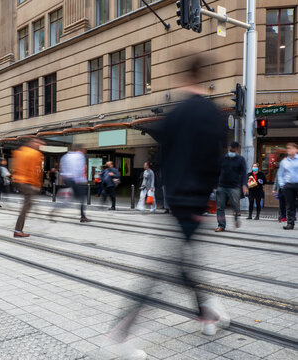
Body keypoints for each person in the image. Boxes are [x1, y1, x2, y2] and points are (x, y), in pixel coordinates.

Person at [108, 56, 229, 360]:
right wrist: (205, 202)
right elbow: (214, 164)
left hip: (175, 200)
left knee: (182, 263)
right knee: (165, 268)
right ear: (207, 76)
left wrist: (170, 196)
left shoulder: (174, 115)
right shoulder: (212, 115)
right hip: (194, 201)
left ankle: (206, 313)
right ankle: (119, 335)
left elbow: (163, 158)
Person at [12, 138, 44, 237]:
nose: (39, 145)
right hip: (27, 182)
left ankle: (18, 230)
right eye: (38, 143)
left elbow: (15, 168)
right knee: (26, 206)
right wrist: (37, 185)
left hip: (19, 181)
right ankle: (18, 231)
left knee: (27, 204)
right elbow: (37, 171)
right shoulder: (36, 154)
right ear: (32, 143)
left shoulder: (20, 152)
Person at [215, 142, 248, 232]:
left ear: (237, 149)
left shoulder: (240, 159)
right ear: (229, 148)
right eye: (230, 149)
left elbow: (244, 174)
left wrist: (244, 185)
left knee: (236, 206)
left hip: (234, 187)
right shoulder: (223, 159)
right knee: (220, 207)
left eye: (234, 149)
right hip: (222, 186)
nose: (232, 151)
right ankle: (221, 225)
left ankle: (236, 219)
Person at [60, 145, 90, 222]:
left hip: (68, 180)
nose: (84, 151)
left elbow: (62, 169)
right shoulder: (80, 156)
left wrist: (64, 179)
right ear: (79, 149)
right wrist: (81, 180)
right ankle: (82, 216)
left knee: (71, 196)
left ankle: (57, 207)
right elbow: (78, 169)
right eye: (84, 149)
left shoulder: (66, 156)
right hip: (76, 180)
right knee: (81, 199)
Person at [278, 142, 298, 230]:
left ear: (296, 150)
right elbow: (280, 174)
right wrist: (283, 185)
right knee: (290, 205)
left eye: (291, 148)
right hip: (288, 186)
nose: (289, 150)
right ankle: (290, 223)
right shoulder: (284, 162)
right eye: (288, 148)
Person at [272, 157, 287, 223]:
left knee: (289, 203)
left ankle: (290, 217)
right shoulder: (279, 170)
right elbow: (276, 180)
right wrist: (274, 189)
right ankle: (281, 216)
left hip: (288, 189)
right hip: (280, 189)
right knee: (281, 204)